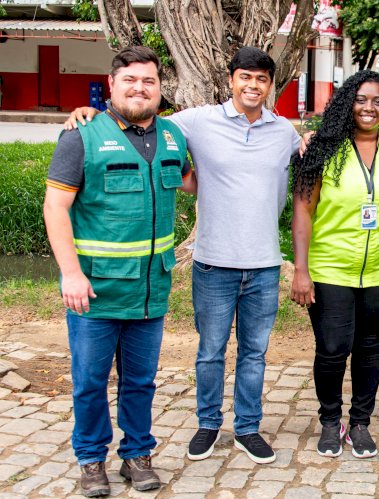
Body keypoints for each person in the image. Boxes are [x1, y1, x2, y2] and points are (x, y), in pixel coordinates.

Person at [67, 47, 301, 465]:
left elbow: (316, 153)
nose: (252, 85)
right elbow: (135, 123)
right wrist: (89, 112)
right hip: (212, 262)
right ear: (231, 80)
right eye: (244, 77)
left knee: (254, 353)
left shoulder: (284, 132)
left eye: (262, 79)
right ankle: (208, 423)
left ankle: (248, 427)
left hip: (264, 264)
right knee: (210, 351)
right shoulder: (195, 121)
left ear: (270, 85)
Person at [44, 46, 194, 497]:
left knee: (141, 382)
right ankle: (91, 460)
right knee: (90, 382)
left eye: (148, 81)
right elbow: (55, 207)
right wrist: (70, 273)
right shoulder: (82, 135)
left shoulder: (173, 136)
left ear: (160, 88)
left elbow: (196, 179)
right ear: (112, 84)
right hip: (94, 292)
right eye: (130, 79)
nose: (139, 88)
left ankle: (137, 454)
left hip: (151, 289)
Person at [291, 70, 379, 458]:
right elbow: (303, 209)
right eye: (361, 99)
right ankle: (330, 422)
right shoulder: (324, 147)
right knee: (332, 347)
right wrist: (300, 268)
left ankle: (360, 423)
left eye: (378, 101)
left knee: (369, 347)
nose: (369, 108)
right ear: (347, 102)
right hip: (330, 266)